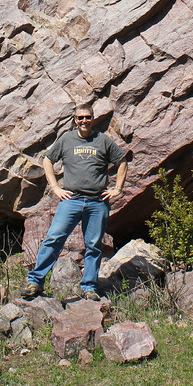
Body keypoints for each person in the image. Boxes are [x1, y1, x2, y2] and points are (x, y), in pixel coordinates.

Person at [22, 102, 128, 301]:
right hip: (71, 200)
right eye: (80, 118)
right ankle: (35, 282)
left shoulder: (103, 141)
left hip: (97, 202)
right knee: (54, 239)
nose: (84, 121)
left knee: (94, 245)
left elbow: (122, 161)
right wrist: (55, 188)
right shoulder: (66, 140)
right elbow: (47, 160)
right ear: (75, 120)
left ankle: (89, 287)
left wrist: (117, 189)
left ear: (93, 118)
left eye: (87, 117)